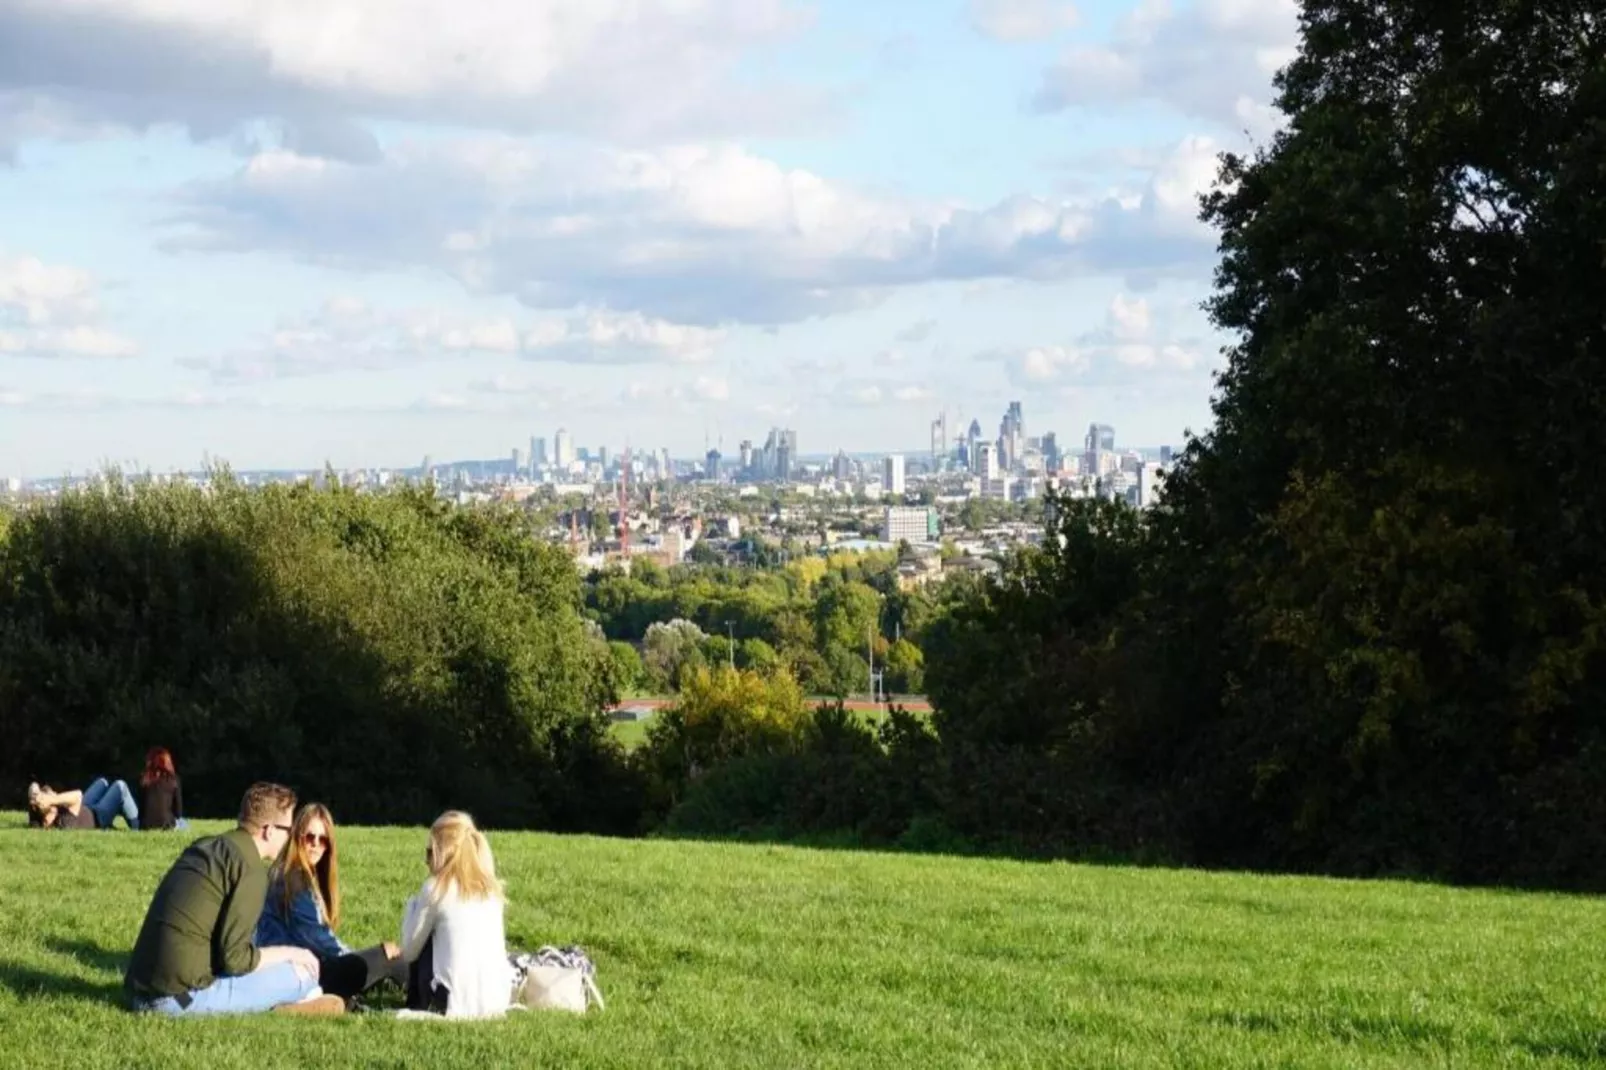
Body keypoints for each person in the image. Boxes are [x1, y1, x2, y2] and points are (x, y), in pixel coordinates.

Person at [123, 781, 345, 1016]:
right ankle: (291, 1004)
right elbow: (235, 960)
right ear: (269, 830)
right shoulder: (251, 869)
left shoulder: (205, 846)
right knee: (304, 974)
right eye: (288, 831)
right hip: (177, 1001)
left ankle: (290, 1000)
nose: (290, 838)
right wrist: (293, 953)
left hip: (137, 992)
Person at [256, 803, 406, 1001]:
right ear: (296, 837)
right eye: (309, 837)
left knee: (388, 959)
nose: (316, 844)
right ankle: (428, 995)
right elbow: (317, 938)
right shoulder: (294, 879)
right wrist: (363, 956)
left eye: (323, 840)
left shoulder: (289, 873)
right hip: (299, 973)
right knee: (389, 960)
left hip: (294, 968)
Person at [400, 810, 513, 1018]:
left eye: (429, 852)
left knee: (425, 935)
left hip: (450, 1001)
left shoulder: (435, 889)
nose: (426, 861)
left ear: (443, 852)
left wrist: (411, 908)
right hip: (495, 1000)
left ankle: (417, 1001)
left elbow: (408, 951)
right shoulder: (491, 891)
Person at [27, 777, 139, 830]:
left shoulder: (37, 817)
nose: (55, 794)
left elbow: (33, 787)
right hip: (98, 817)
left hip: (86, 807)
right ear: (49, 807)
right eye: (51, 795)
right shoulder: (63, 823)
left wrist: (37, 795)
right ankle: (137, 827)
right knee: (120, 786)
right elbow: (78, 795)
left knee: (102, 782)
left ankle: (111, 825)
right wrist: (52, 799)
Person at [139, 747, 185, 831]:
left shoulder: (145, 779)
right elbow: (178, 812)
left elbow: (142, 807)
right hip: (167, 824)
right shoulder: (174, 779)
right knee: (184, 823)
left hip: (146, 824)